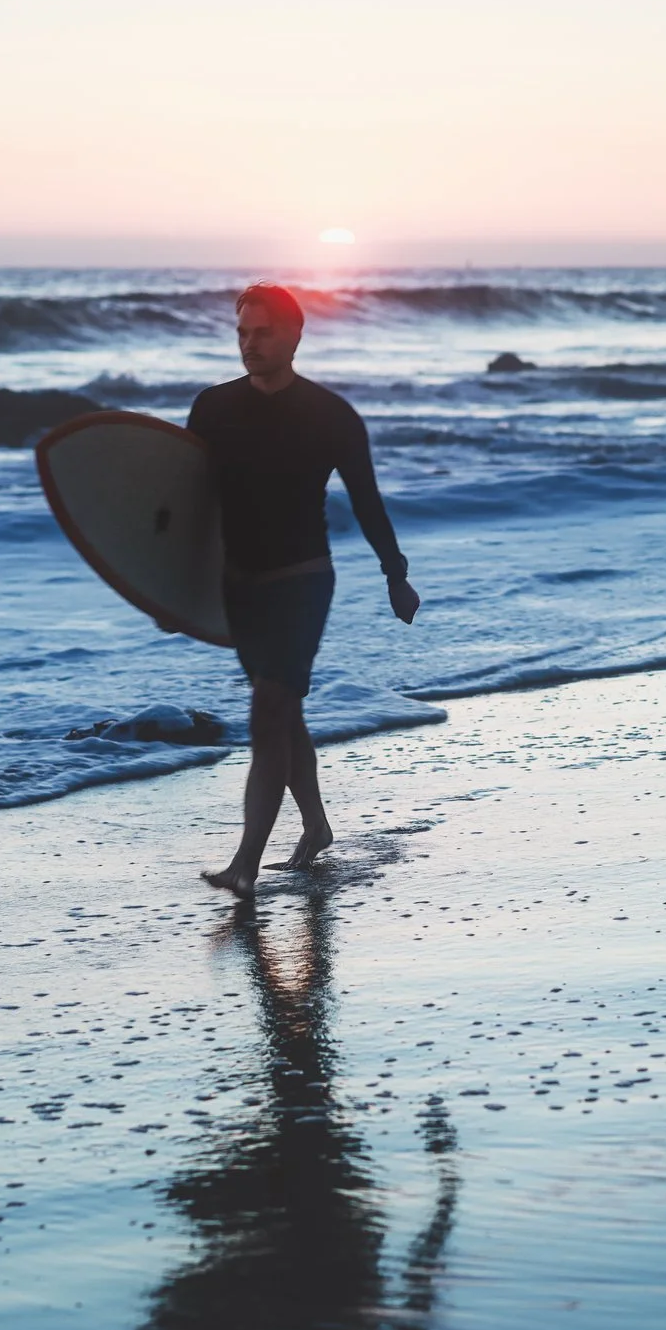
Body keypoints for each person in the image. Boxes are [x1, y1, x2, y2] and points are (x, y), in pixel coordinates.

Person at [186, 282, 418, 898]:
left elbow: (367, 501)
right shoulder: (212, 408)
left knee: (267, 714)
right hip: (241, 587)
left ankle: (244, 864)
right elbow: (190, 500)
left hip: (302, 582)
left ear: (294, 334)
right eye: (242, 332)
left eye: (262, 332)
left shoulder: (330, 415)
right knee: (284, 715)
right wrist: (168, 584)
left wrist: (395, 574)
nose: (250, 343)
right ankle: (315, 826)